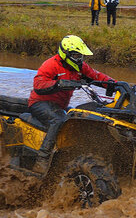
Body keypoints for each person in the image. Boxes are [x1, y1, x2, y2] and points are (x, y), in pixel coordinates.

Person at [28, 35, 115, 171]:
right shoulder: (51, 64)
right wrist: (59, 83)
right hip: (40, 103)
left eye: (80, 56)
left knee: (79, 118)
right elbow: (38, 84)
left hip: (59, 105)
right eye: (76, 55)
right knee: (59, 120)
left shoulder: (80, 67)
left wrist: (114, 84)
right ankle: (42, 158)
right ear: (65, 53)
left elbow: (96, 76)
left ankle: (74, 154)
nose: (79, 59)